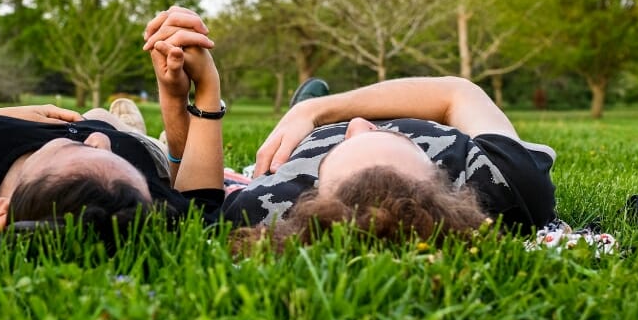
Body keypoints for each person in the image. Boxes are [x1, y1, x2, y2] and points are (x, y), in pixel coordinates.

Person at [0, 7, 225, 240]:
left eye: (74, 150)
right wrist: (195, 91)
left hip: (18, 125)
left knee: (99, 118)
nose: (96, 141)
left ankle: (128, 125)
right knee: (108, 124)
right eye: (105, 153)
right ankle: (138, 134)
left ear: (0, 209)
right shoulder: (130, 203)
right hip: (140, 153)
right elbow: (203, 205)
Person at [223, 76, 557, 247]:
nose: (357, 123)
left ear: (315, 194)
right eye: (385, 134)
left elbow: (195, 192)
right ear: (438, 176)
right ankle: (317, 103)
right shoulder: (502, 181)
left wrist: (309, 113)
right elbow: (458, 93)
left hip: (304, 134)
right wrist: (314, 112)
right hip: (388, 109)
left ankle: (313, 105)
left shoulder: (270, 207)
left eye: (333, 151)